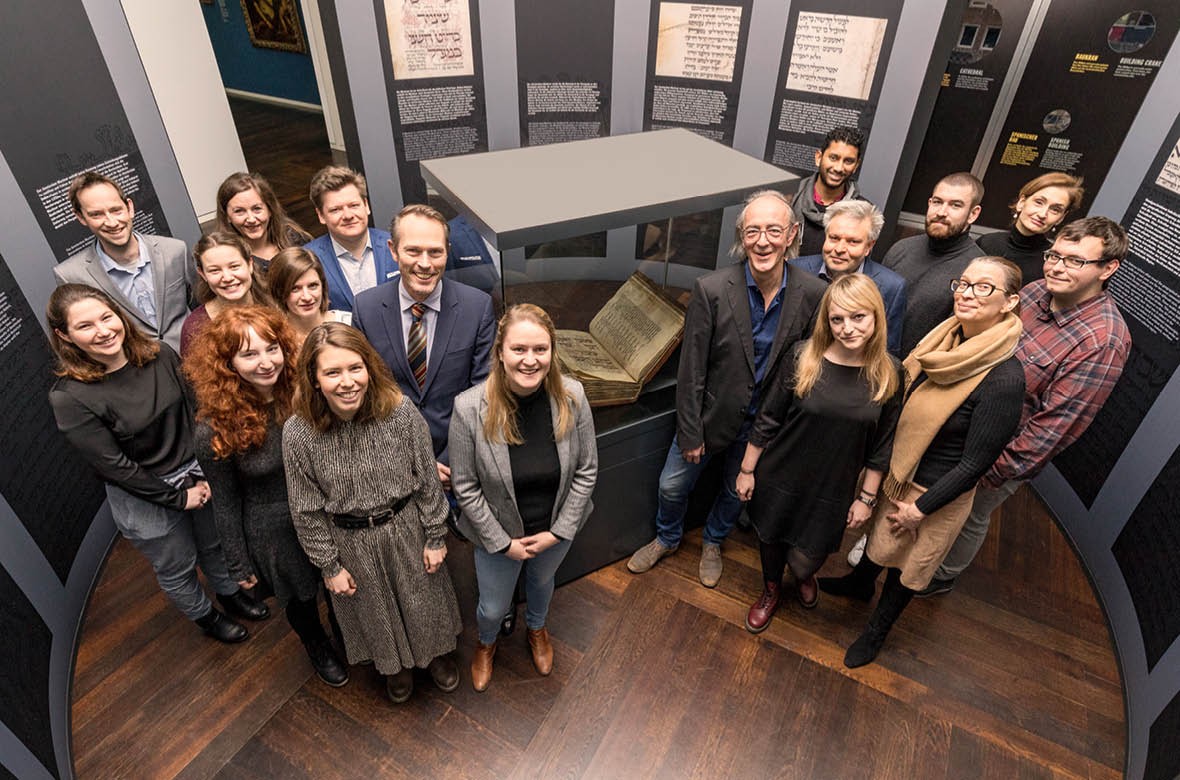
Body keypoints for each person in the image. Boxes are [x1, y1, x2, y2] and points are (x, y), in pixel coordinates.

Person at [819, 257, 1026, 668]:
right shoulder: (943, 340)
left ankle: (876, 632)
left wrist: (920, 509)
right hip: (901, 473)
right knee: (879, 543)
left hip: (935, 493)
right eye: (963, 283)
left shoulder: (1004, 377)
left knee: (907, 570)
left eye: (984, 287)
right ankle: (859, 584)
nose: (967, 293)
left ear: (1010, 301)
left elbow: (975, 464)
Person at [921, 217, 1130, 596]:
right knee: (934, 505)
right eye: (1054, 255)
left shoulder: (1102, 340)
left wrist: (986, 472)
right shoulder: (1034, 293)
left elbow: (1054, 429)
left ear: (1108, 268)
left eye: (1074, 261)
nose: (1056, 266)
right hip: (960, 425)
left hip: (996, 454)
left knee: (969, 514)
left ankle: (941, 576)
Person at [627, 190, 827, 587]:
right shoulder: (712, 289)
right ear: (741, 236)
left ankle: (714, 541)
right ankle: (667, 538)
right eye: (752, 230)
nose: (763, 240)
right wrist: (690, 431)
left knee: (736, 496)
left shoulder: (814, 294)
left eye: (773, 230)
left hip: (763, 428)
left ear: (792, 235)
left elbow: (806, 369)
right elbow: (692, 369)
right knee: (671, 485)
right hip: (708, 417)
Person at [47, 284, 267, 643]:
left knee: (213, 545)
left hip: (199, 476)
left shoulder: (160, 354)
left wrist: (211, 470)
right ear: (65, 336)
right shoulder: (70, 397)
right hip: (146, 493)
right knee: (177, 565)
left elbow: (196, 411)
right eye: (85, 326)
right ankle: (206, 616)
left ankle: (230, 594)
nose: (103, 331)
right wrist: (178, 498)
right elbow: (113, 466)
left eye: (106, 317)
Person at [283, 322, 462, 704]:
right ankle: (393, 669)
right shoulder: (298, 433)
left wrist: (434, 536)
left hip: (406, 527)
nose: (347, 382)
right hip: (351, 542)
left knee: (422, 602)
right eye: (332, 372)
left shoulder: (399, 412)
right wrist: (329, 566)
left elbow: (427, 478)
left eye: (355, 368)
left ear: (369, 368)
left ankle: (433, 658)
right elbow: (305, 510)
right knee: (374, 614)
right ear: (314, 380)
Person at [187, 306, 349, 686]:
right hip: (273, 528)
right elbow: (226, 502)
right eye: (249, 354)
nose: (265, 362)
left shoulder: (305, 393)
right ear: (226, 364)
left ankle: (349, 634)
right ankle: (317, 646)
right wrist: (238, 563)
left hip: (325, 512)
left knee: (341, 586)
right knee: (302, 600)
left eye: (271, 348)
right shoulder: (214, 428)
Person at [736, 275, 901, 632]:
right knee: (771, 537)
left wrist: (867, 499)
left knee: (804, 560)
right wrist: (747, 470)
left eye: (858, 317)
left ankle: (800, 577)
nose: (847, 328)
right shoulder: (802, 356)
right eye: (837, 319)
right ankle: (770, 588)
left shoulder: (890, 373)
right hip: (780, 474)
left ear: (876, 317)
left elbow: (882, 446)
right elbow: (767, 419)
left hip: (834, 487)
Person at [449, 304, 597, 691]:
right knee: (493, 606)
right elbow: (465, 488)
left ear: (552, 351)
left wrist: (558, 533)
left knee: (542, 583)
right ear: (500, 352)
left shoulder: (574, 396)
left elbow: (586, 471)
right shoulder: (468, 408)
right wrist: (502, 544)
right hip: (498, 538)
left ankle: (536, 628)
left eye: (540, 349)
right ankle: (486, 642)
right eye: (519, 349)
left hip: (554, 533)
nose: (530, 360)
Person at [353, 204, 496, 493]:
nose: (425, 263)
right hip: (394, 468)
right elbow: (366, 396)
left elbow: (484, 394)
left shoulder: (477, 307)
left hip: (462, 466)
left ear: (447, 251)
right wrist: (413, 461)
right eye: (413, 251)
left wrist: (450, 460)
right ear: (393, 251)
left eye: (435, 252)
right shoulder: (366, 309)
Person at [53, 171, 194, 351]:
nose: (112, 222)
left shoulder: (174, 250)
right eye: (97, 214)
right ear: (81, 217)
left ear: (129, 207)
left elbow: (197, 303)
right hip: (138, 369)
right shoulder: (70, 276)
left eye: (116, 210)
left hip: (193, 354)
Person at [883, 173, 985, 356]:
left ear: (973, 214)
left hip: (916, 375)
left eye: (955, 205)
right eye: (938, 202)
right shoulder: (901, 248)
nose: (941, 212)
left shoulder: (977, 272)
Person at [790, 200, 908, 355]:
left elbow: (886, 352)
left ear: (869, 247)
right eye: (834, 238)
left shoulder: (890, 287)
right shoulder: (795, 271)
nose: (839, 249)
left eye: (853, 242)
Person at [303, 166, 399, 314]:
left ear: (366, 205)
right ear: (321, 215)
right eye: (336, 210)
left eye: (354, 205)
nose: (348, 215)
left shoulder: (396, 245)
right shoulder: (308, 259)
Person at [976, 173, 1084, 284]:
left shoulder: (1052, 263)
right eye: (1039, 202)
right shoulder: (985, 243)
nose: (1043, 214)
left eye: (1055, 210)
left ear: (1061, 218)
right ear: (1021, 203)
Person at [180, 232, 272, 357]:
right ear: (202, 274)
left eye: (234, 266)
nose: (227, 278)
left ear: (250, 264)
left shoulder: (277, 304)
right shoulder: (195, 328)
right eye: (215, 270)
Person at [791, 127, 870, 257]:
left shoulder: (863, 212)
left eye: (848, 161)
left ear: (856, 166)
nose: (839, 168)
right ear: (818, 158)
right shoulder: (790, 198)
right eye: (833, 158)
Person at [215, 172, 312, 277]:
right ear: (227, 216)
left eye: (257, 209)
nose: (251, 219)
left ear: (270, 210)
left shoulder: (295, 239)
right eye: (239, 211)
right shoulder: (225, 259)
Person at [267, 246, 352, 350]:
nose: (307, 297)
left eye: (313, 286)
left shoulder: (350, 323)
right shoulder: (273, 338)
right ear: (279, 292)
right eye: (295, 288)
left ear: (323, 285)